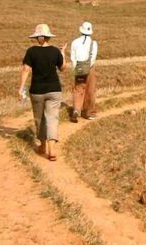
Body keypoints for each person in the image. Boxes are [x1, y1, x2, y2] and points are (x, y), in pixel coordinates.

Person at [19, 23, 64, 160]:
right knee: (52, 118)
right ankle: (52, 149)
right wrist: (62, 54)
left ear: (37, 37)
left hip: (37, 90)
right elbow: (62, 68)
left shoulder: (31, 51)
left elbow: (26, 70)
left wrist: (21, 87)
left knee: (40, 119)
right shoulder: (56, 51)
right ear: (48, 37)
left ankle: (43, 145)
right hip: (54, 90)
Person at [68, 20, 98, 122]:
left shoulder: (74, 42)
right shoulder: (94, 43)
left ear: (81, 30)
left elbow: (73, 57)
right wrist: (88, 67)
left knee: (78, 89)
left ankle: (76, 110)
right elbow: (93, 58)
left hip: (78, 67)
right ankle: (89, 113)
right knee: (90, 90)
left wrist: (75, 68)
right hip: (89, 67)